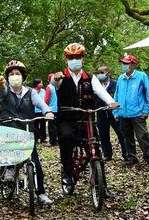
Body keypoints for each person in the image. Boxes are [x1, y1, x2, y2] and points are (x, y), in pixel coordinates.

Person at [51, 43, 118, 196]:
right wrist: (55, 79)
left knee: (95, 147)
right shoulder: (61, 76)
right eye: (71, 57)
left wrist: (111, 102)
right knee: (66, 139)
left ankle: (102, 186)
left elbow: (100, 91)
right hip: (66, 119)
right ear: (66, 60)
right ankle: (67, 174)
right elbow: (53, 83)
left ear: (82, 58)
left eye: (77, 57)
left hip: (86, 119)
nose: (75, 60)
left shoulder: (90, 77)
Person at [0, 61, 54, 205]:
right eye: (11, 74)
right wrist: (1, 83)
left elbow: (41, 103)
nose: (14, 76)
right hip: (8, 129)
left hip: (26, 131)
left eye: (17, 74)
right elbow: (0, 89)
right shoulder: (5, 91)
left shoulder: (30, 92)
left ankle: (41, 193)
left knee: (36, 163)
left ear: (23, 76)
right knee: (8, 152)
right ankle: (9, 169)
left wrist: (47, 111)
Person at [113, 55, 149, 165]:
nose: (123, 65)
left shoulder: (141, 76)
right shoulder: (120, 78)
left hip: (138, 113)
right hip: (123, 113)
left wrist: (146, 110)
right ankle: (132, 157)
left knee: (142, 136)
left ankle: (147, 155)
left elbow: (148, 93)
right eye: (122, 63)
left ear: (133, 64)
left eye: (126, 63)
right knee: (127, 136)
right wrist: (115, 111)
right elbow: (116, 95)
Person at [95, 65, 127, 162]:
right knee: (103, 135)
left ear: (108, 73)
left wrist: (117, 112)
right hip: (101, 114)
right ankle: (107, 154)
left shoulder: (116, 84)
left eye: (102, 72)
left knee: (121, 134)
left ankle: (126, 154)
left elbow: (120, 99)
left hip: (114, 114)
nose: (100, 75)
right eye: (98, 73)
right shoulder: (97, 86)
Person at [44, 74, 59, 145]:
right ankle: (59, 140)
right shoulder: (58, 86)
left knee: (51, 126)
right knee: (58, 125)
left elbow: (46, 99)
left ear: (48, 80)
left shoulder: (49, 87)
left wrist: (44, 108)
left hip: (51, 109)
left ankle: (53, 141)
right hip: (59, 109)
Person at [32, 78, 47, 144]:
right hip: (34, 111)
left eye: (42, 83)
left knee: (43, 125)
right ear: (36, 84)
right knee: (35, 126)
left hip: (42, 111)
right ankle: (35, 138)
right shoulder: (32, 91)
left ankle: (43, 139)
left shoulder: (43, 91)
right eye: (40, 83)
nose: (42, 84)